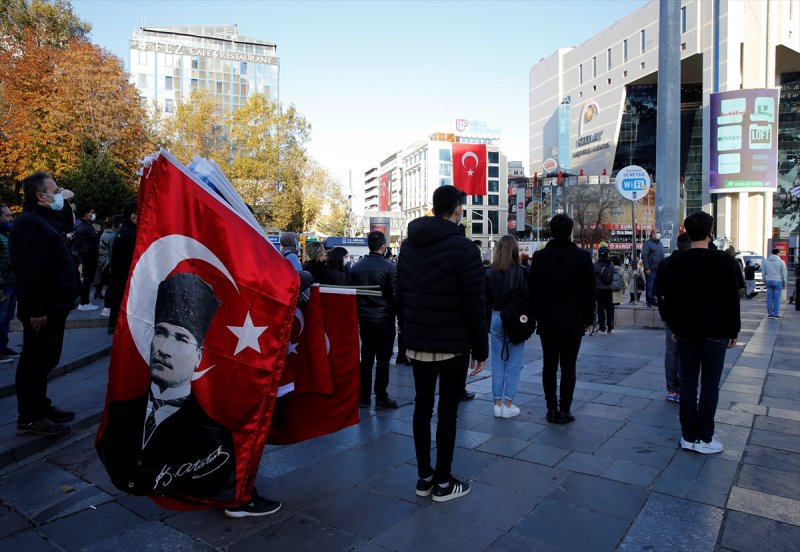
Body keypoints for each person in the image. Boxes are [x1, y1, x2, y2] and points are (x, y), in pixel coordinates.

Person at [97, 272, 281, 516]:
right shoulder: (120, 412)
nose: (165, 348)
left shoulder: (217, 434)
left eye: (181, 338)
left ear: (199, 355)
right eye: (161, 333)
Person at [397, 185, 487, 502]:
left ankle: (424, 477)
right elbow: (475, 303)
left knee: (422, 408)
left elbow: (401, 296)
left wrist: (405, 333)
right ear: (458, 209)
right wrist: (481, 348)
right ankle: (445, 483)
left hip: (418, 342)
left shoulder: (407, 247)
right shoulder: (464, 249)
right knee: (448, 411)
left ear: (433, 208)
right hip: (453, 344)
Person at [658, 212, 740, 455]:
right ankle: (705, 437)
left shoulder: (675, 262)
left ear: (685, 231)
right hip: (716, 331)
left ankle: (688, 435)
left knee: (688, 383)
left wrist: (673, 326)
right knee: (710, 385)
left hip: (686, 331)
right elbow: (731, 298)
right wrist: (733, 329)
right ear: (710, 230)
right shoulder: (723, 261)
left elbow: (669, 299)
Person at [10, 172, 81, 436]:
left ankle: (40, 405)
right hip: (43, 309)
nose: (60, 193)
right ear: (41, 196)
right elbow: (30, 271)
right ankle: (29, 417)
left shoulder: (44, 220)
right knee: (35, 361)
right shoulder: (30, 224)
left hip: (55, 305)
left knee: (46, 359)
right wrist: (36, 310)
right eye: (55, 190)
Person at [529, 214, 595, 424]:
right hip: (573, 320)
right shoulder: (582, 257)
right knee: (569, 366)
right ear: (570, 231)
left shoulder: (540, 257)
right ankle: (565, 409)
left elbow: (533, 291)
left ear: (551, 230)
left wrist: (537, 316)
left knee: (549, 365)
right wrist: (588, 316)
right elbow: (589, 291)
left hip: (548, 320)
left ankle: (551, 409)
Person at [348, 231, 399, 410]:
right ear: (383, 247)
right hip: (384, 320)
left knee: (367, 359)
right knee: (383, 361)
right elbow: (395, 296)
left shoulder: (355, 268)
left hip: (365, 320)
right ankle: (381, 398)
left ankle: (363, 397)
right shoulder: (390, 268)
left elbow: (352, 295)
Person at [485, 235, 529, 418]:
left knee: (497, 362)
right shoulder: (520, 271)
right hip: (514, 319)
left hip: (495, 317)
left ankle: (497, 403)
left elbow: (484, 300)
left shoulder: (488, 272)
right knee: (514, 363)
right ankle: (508, 404)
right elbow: (526, 298)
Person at [656, 232, 691, 403]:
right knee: (688, 352)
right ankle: (685, 388)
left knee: (671, 351)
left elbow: (658, 290)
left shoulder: (666, 263)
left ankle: (672, 389)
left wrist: (664, 313)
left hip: (670, 314)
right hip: (689, 314)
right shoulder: (692, 263)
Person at [107, 202, 137, 334]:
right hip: (124, 279)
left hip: (119, 279)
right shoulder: (129, 234)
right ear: (133, 217)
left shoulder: (125, 232)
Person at [72, 205, 101, 311]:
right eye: (91, 212)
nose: (93, 214)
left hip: (88, 254)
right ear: (86, 214)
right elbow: (95, 237)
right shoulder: (84, 226)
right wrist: (98, 232)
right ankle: (84, 303)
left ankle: (85, 301)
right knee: (87, 279)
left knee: (88, 279)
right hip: (88, 255)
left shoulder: (83, 225)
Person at [0, 205, 19, 359]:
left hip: (12, 283)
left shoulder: (8, 235)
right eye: (7, 216)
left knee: (7, 316)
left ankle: (3, 346)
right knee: (1, 316)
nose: (11, 218)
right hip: (3, 285)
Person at [593, 246, 615, 334]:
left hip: (599, 289)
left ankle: (602, 328)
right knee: (609, 309)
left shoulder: (595, 265)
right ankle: (611, 327)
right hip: (609, 289)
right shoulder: (611, 264)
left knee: (600, 309)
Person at [641, 228, 665, 307]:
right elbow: (644, 255)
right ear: (652, 234)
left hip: (660, 268)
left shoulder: (660, 243)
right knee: (650, 286)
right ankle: (649, 302)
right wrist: (647, 268)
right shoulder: (647, 243)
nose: (659, 234)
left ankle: (654, 300)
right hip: (651, 269)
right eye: (657, 232)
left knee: (656, 286)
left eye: (659, 232)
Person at [762, 248, 787, 319]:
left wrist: (764, 281)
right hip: (778, 281)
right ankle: (776, 314)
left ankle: (770, 314)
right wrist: (784, 283)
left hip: (768, 281)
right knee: (777, 298)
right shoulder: (781, 262)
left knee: (769, 298)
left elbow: (763, 273)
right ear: (778, 253)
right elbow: (784, 274)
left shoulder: (765, 262)